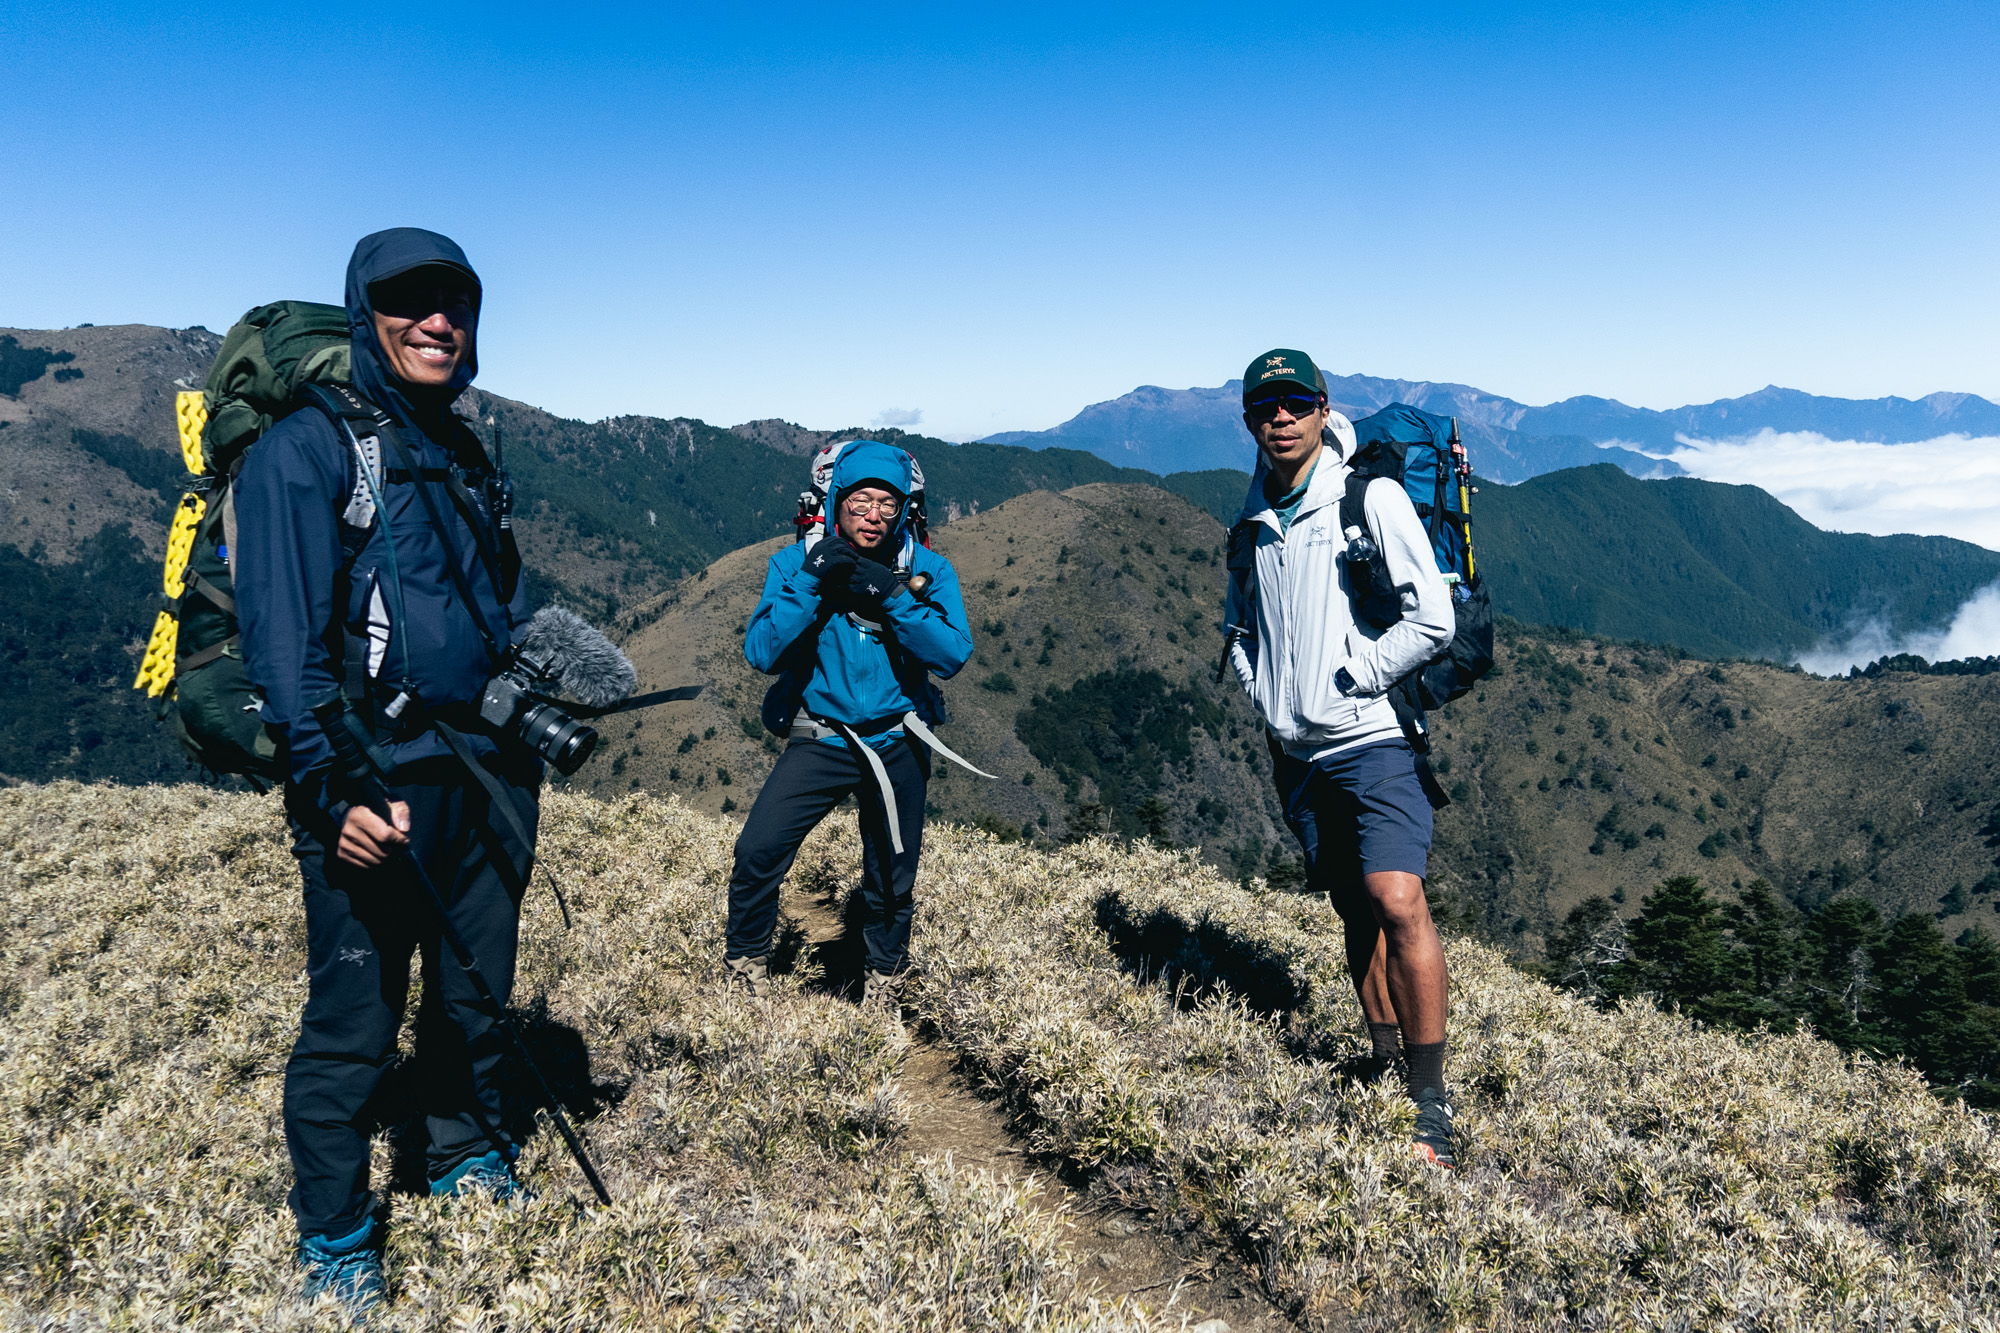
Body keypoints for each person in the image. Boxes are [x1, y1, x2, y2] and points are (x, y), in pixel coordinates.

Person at [236, 228, 538, 1313]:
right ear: (364, 314)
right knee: (355, 1023)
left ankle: (460, 1153)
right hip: (374, 787)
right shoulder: (303, 453)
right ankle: (335, 1232)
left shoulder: (460, 447)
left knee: (473, 993)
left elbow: (483, 610)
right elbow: (282, 650)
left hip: (485, 778)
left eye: (455, 304)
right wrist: (334, 790)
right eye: (409, 303)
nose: (438, 323)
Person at [1221, 348, 1461, 1167]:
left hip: (1372, 740)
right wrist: (1269, 699)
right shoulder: (1252, 516)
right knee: (1355, 914)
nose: (1280, 418)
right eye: (1265, 407)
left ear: (1324, 409)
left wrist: (1357, 677)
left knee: (1398, 900)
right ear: (1250, 420)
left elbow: (1433, 619)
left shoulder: (1371, 497)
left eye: (1295, 403)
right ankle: (1386, 1067)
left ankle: (1430, 1105)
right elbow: (1240, 629)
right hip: (1298, 750)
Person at [724, 442, 973, 1005]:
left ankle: (883, 980)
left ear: (905, 508)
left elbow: (953, 655)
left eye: (888, 502)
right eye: (862, 499)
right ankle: (745, 965)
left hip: (897, 740)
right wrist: (812, 581)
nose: (874, 514)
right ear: (837, 501)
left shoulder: (927, 571)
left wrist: (892, 597)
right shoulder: (793, 565)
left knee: (891, 875)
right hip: (823, 736)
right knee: (758, 851)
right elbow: (761, 651)